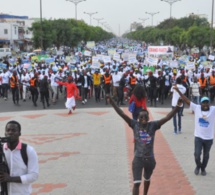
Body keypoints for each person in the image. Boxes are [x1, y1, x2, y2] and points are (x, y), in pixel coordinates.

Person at [107, 94, 183, 195]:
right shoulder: (134, 124)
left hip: (150, 159)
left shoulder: (154, 125)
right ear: (138, 118)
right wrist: (112, 102)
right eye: (141, 116)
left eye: (145, 116)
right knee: (136, 183)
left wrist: (177, 106)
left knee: (147, 179)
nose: (143, 118)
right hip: (138, 159)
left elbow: (168, 117)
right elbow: (121, 114)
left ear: (148, 118)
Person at [173, 86, 215, 176]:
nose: (205, 105)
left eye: (207, 103)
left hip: (209, 138)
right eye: (203, 103)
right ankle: (198, 166)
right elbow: (186, 99)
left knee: (206, 155)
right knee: (196, 154)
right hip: (198, 137)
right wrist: (178, 91)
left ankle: (203, 168)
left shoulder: (213, 110)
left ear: (209, 104)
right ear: (200, 103)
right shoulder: (196, 108)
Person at [0, 120, 39, 194]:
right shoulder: (1, 150)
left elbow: (34, 175)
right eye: (8, 130)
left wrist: (10, 179)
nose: (10, 132)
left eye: (13, 130)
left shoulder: (28, 151)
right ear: (5, 133)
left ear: (19, 133)